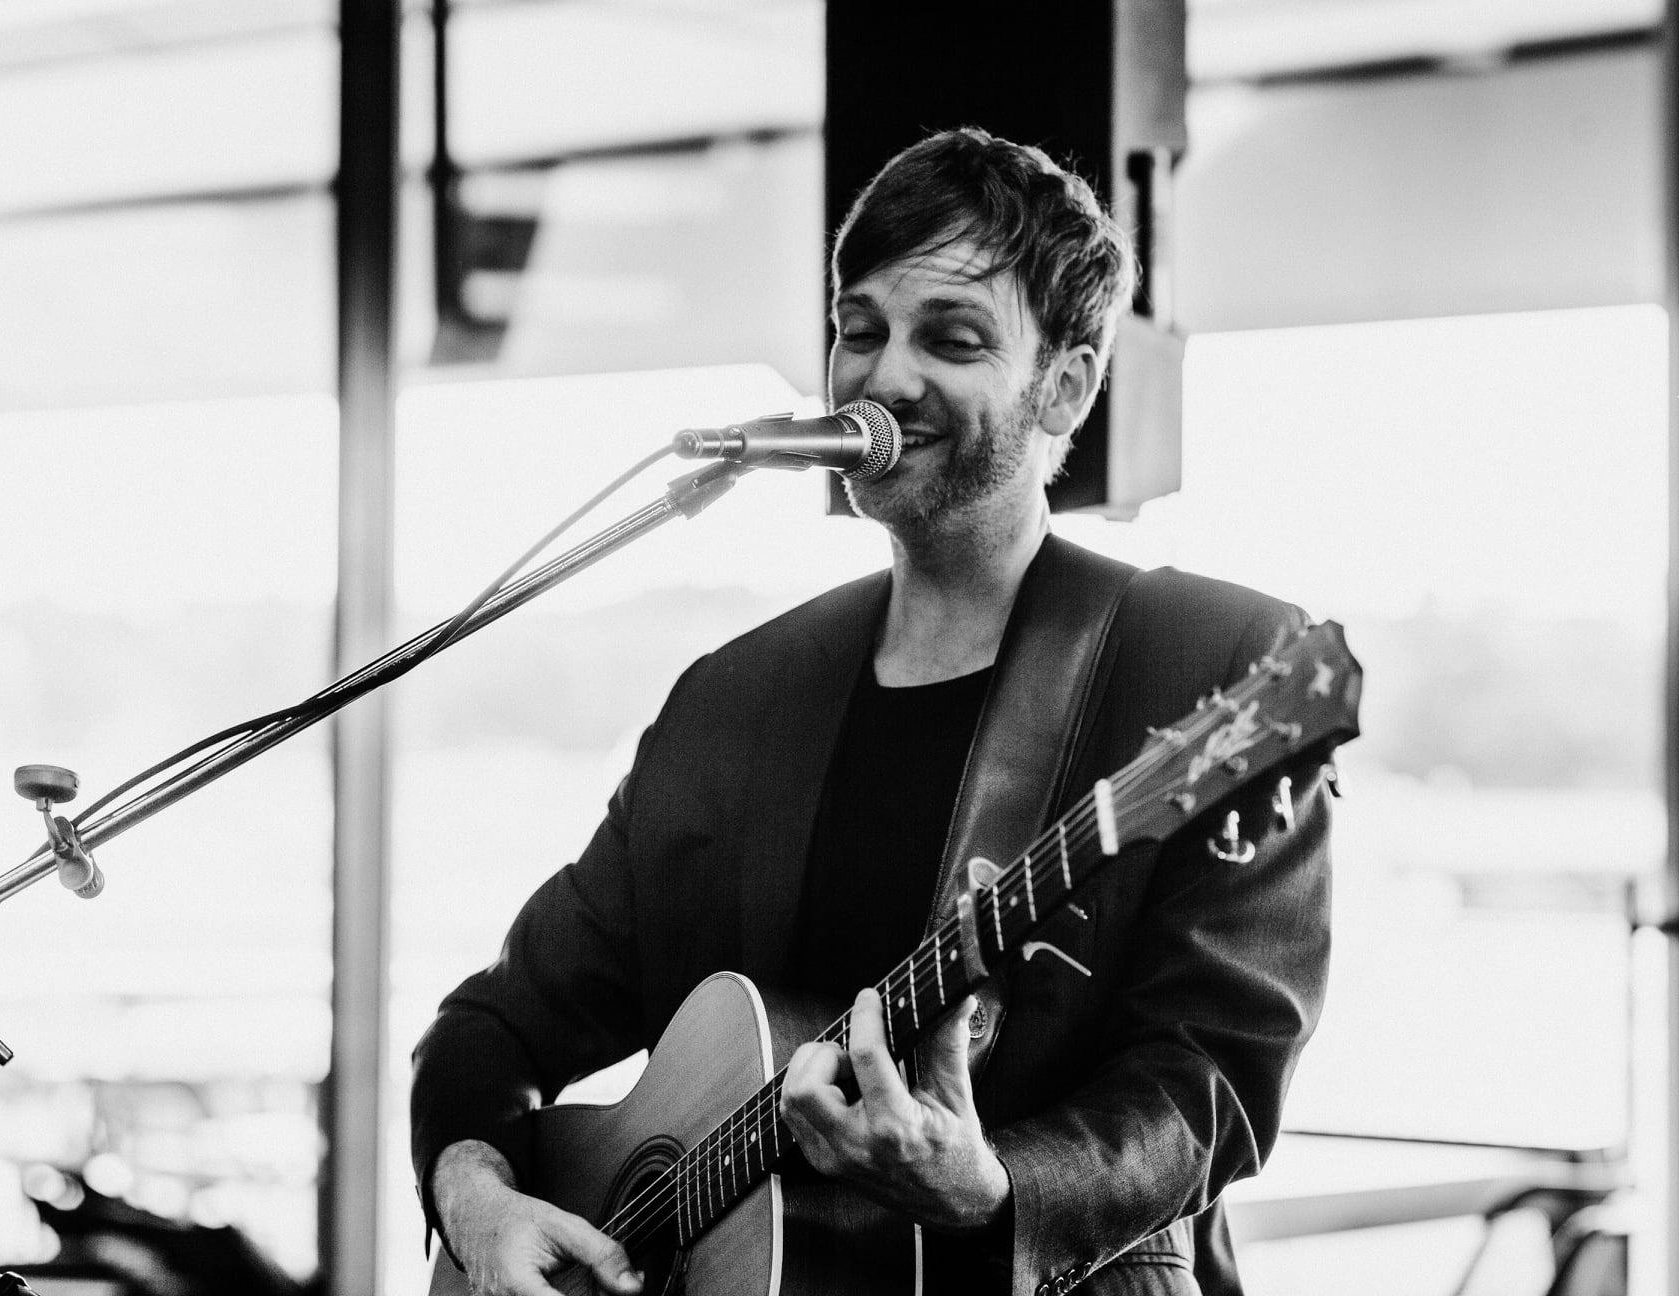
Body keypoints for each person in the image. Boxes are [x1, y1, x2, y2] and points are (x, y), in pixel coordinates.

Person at [410, 127, 1333, 1296]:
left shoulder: (1211, 664)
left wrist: (996, 1190)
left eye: (950, 338)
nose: (885, 376)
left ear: (1067, 385)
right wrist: (476, 1200)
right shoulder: (735, 699)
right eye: (860, 330)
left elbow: (1212, 1077)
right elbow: (495, 1025)